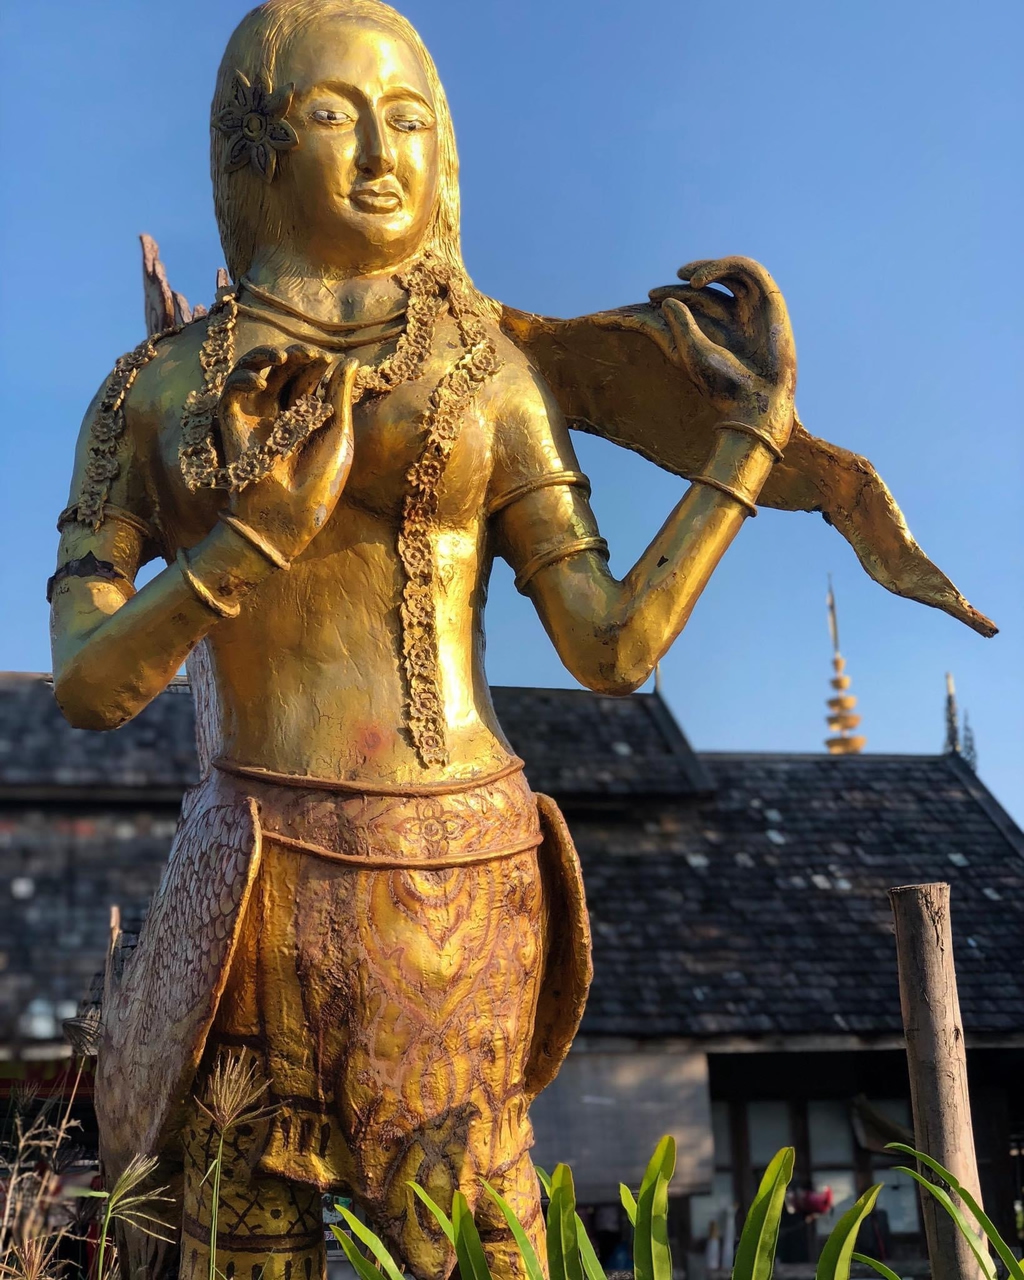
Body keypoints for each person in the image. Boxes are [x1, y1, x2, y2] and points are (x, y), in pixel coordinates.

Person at [48, 3, 796, 1277]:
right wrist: (246, 544)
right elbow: (86, 683)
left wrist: (749, 441)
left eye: (407, 120)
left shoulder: (490, 372)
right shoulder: (150, 393)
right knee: (239, 1244)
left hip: (453, 878)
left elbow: (611, 649)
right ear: (252, 141)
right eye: (331, 114)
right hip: (247, 885)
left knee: (475, 1241)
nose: (378, 154)